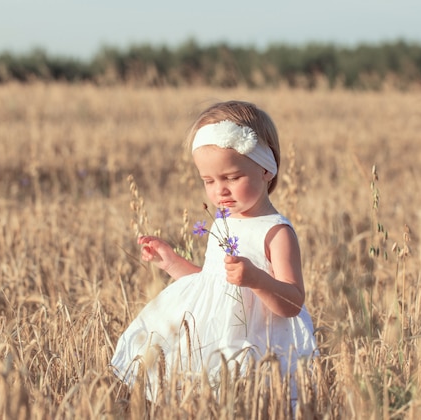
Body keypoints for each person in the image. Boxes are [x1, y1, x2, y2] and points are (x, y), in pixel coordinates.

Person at [110, 100, 318, 406]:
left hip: (254, 344)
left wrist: (258, 280)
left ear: (265, 169)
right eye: (208, 181)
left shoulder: (276, 232)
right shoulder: (221, 222)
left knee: (246, 402)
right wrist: (171, 262)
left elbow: (292, 303)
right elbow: (210, 283)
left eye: (232, 178)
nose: (220, 190)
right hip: (212, 339)